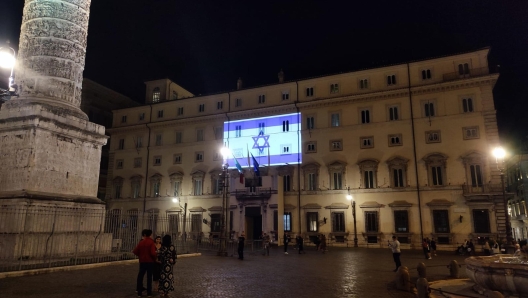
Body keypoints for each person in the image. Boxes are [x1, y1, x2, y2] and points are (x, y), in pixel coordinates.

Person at [133, 229, 157, 297]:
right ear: (150, 234)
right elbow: (152, 253)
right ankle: (149, 293)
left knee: (140, 276)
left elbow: (135, 251)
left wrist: (140, 255)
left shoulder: (141, 242)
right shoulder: (151, 242)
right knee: (149, 277)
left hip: (142, 261)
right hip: (150, 261)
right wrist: (155, 256)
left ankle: (139, 292)